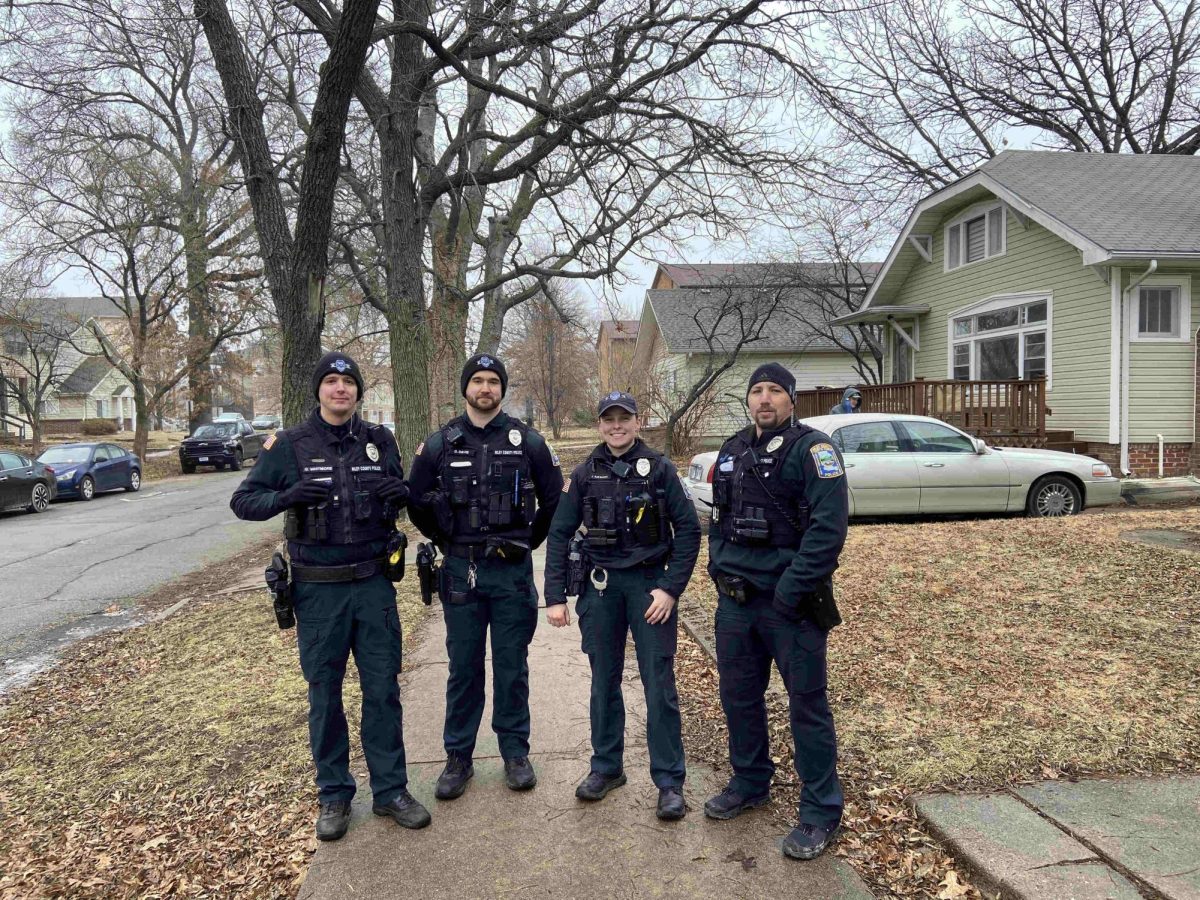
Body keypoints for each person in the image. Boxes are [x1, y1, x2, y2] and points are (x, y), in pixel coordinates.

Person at [230, 351, 428, 841]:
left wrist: (398, 496)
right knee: (325, 695)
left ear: (359, 392)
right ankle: (335, 795)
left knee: (383, 691)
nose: (340, 389)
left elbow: (399, 497)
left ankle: (390, 791)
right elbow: (243, 501)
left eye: (348, 382)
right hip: (318, 592)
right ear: (318, 390)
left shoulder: (380, 441)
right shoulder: (290, 445)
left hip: (374, 585)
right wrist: (285, 497)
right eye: (332, 381)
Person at [705, 362, 849, 861]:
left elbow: (828, 532)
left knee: (807, 707)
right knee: (739, 698)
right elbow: (718, 519)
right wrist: (716, 568)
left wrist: (789, 593)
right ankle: (750, 782)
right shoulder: (733, 449)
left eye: (774, 391)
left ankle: (821, 811)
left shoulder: (815, 451)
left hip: (791, 606)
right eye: (757, 391)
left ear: (791, 399)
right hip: (736, 603)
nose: (764, 399)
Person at [407, 354, 563, 801]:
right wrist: (444, 539)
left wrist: (529, 543)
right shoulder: (440, 443)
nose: (486, 388)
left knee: (512, 668)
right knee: (463, 670)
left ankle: (515, 753)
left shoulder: (527, 441)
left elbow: (555, 501)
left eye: (493, 381)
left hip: (511, 573)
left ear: (502, 389)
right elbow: (414, 499)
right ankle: (458, 758)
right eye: (478, 380)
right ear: (466, 388)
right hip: (461, 573)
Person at [544, 391, 701, 821]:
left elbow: (688, 531)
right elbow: (559, 534)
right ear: (599, 425)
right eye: (609, 419)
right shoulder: (583, 475)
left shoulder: (661, 469)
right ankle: (606, 767)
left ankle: (669, 782)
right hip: (601, 588)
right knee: (603, 682)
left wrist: (670, 589)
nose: (617, 426)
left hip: (650, 589)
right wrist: (555, 597)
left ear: (638, 422)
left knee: (658, 685)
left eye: (624, 419)